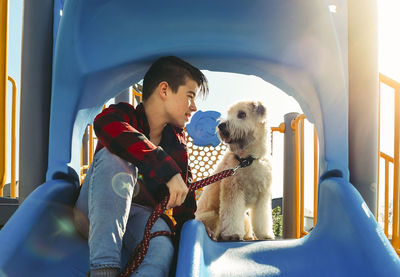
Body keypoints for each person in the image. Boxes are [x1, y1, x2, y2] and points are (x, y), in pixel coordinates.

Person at [73, 56, 209, 277]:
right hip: (94, 212)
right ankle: (104, 270)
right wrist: (167, 170)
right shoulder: (123, 115)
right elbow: (107, 126)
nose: (193, 107)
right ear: (164, 90)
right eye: (190, 96)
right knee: (115, 157)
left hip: (138, 220)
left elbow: (185, 200)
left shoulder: (176, 143)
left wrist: (188, 241)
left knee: (162, 246)